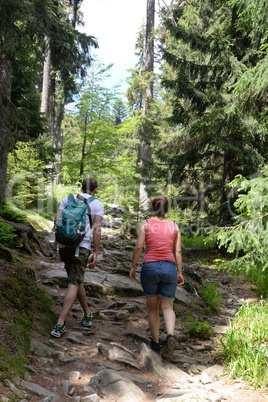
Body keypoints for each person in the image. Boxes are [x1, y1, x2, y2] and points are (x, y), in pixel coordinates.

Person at [129, 196, 184, 361]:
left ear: (153, 208)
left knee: (153, 308)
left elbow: (139, 246)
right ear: (167, 209)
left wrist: (132, 266)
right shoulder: (174, 226)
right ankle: (170, 336)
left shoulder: (145, 224)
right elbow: (178, 252)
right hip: (169, 268)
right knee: (167, 307)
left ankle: (155, 343)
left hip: (150, 267)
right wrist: (179, 271)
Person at [51, 177, 104, 338]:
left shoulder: (67, 199)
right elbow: (97, 229)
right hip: (82, 246)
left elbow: (56, 220)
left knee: (76, 277)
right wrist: (95, 251)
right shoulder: (97, 204)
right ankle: (60, 323)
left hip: (64, 245)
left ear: (81, 187)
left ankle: (87, 312)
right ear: (95, 190)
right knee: (74, 281)